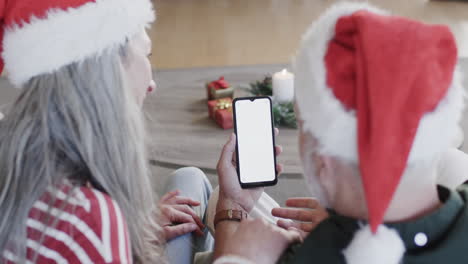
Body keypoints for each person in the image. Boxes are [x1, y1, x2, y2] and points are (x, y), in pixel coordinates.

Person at [211, 2, 468, 264]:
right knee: (454, 160)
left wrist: (236, 236)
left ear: (324, 163)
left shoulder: (301, 256)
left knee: (213, 200)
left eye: (303, 125)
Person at [0, 0, 209, 263]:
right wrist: (238, 248)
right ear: (110, 74)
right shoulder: (88, 219)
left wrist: (134, 228)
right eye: (146, 54)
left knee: (189, 178)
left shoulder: (22, 171)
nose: (152, 84)